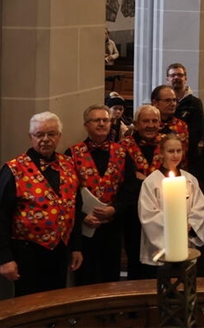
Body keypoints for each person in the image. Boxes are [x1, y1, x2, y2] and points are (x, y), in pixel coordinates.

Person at [0, 112, 83, 296]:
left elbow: (76, 209)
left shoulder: (68, 164)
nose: (46, 139)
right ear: (30, 137)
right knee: (29, 305)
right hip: (27, 251)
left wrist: (76, 247)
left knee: (56, 300)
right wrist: (5, 258)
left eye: (51, 134)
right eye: (39, 134)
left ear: (59, 136)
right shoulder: (14, 168)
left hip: (60, 249)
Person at [68, 104, 126, 285]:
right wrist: (83, 217)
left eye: (105, 120)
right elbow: (67, 194)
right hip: (85, 229)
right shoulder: (71, 153)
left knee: (110, 276)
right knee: (85, 277)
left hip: (112, 226)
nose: (101, 124)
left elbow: (130, 189)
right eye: (96, 120)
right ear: (86, 125)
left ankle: (110, 313)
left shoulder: (122, 152)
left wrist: (114, 209)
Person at [137, 134, 204, 271]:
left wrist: (190, 225)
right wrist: (175, 224)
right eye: (170, 151)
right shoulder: (151, 182)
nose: (175, 155)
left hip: (185, 241)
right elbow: (148, 214)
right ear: (161, 153)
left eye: (178, 151)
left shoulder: (190, 180)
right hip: (159, 246)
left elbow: (200, 207)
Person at [118, 105, 165, 279]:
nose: (151, 125)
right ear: (136, 124)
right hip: (134, 212)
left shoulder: (167, 144)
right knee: (136, 260)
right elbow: (125, 181)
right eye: (146, 121)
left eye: (154, 121)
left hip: (162, 213)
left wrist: (142, 179)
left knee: (161, 260)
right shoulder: (123, 146)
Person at [166, 63, 204, 162]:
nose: (176, 77)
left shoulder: (195, 103)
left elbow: (197, 131)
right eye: (173, 75)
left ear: (185, 78)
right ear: (167, 79)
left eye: (180, 75)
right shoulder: (162, 101)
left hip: (188, 155)